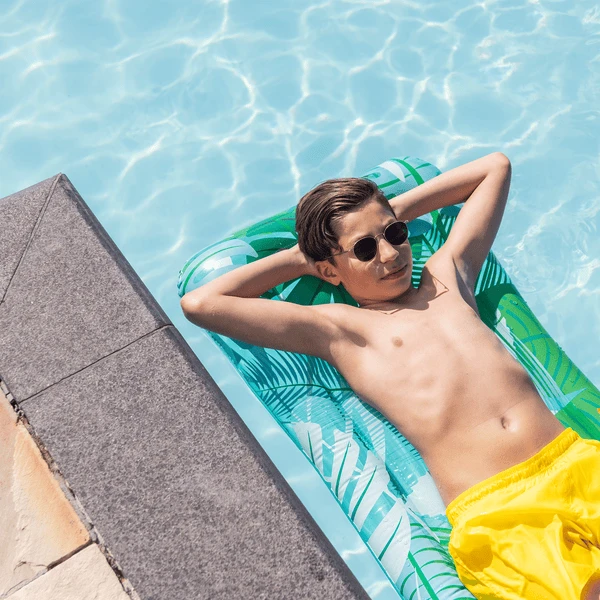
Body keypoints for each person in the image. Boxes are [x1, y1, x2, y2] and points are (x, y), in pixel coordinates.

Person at [180, 152, 600, 599]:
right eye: (364, 249)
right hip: (500, 511)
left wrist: (392, 211)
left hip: (577, 461)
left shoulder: (447, 278)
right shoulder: (344, 331)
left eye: (395, 235)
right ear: (329, 270)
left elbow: (494, 168)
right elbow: (201, 304)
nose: (390, 253)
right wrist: (303, 259)